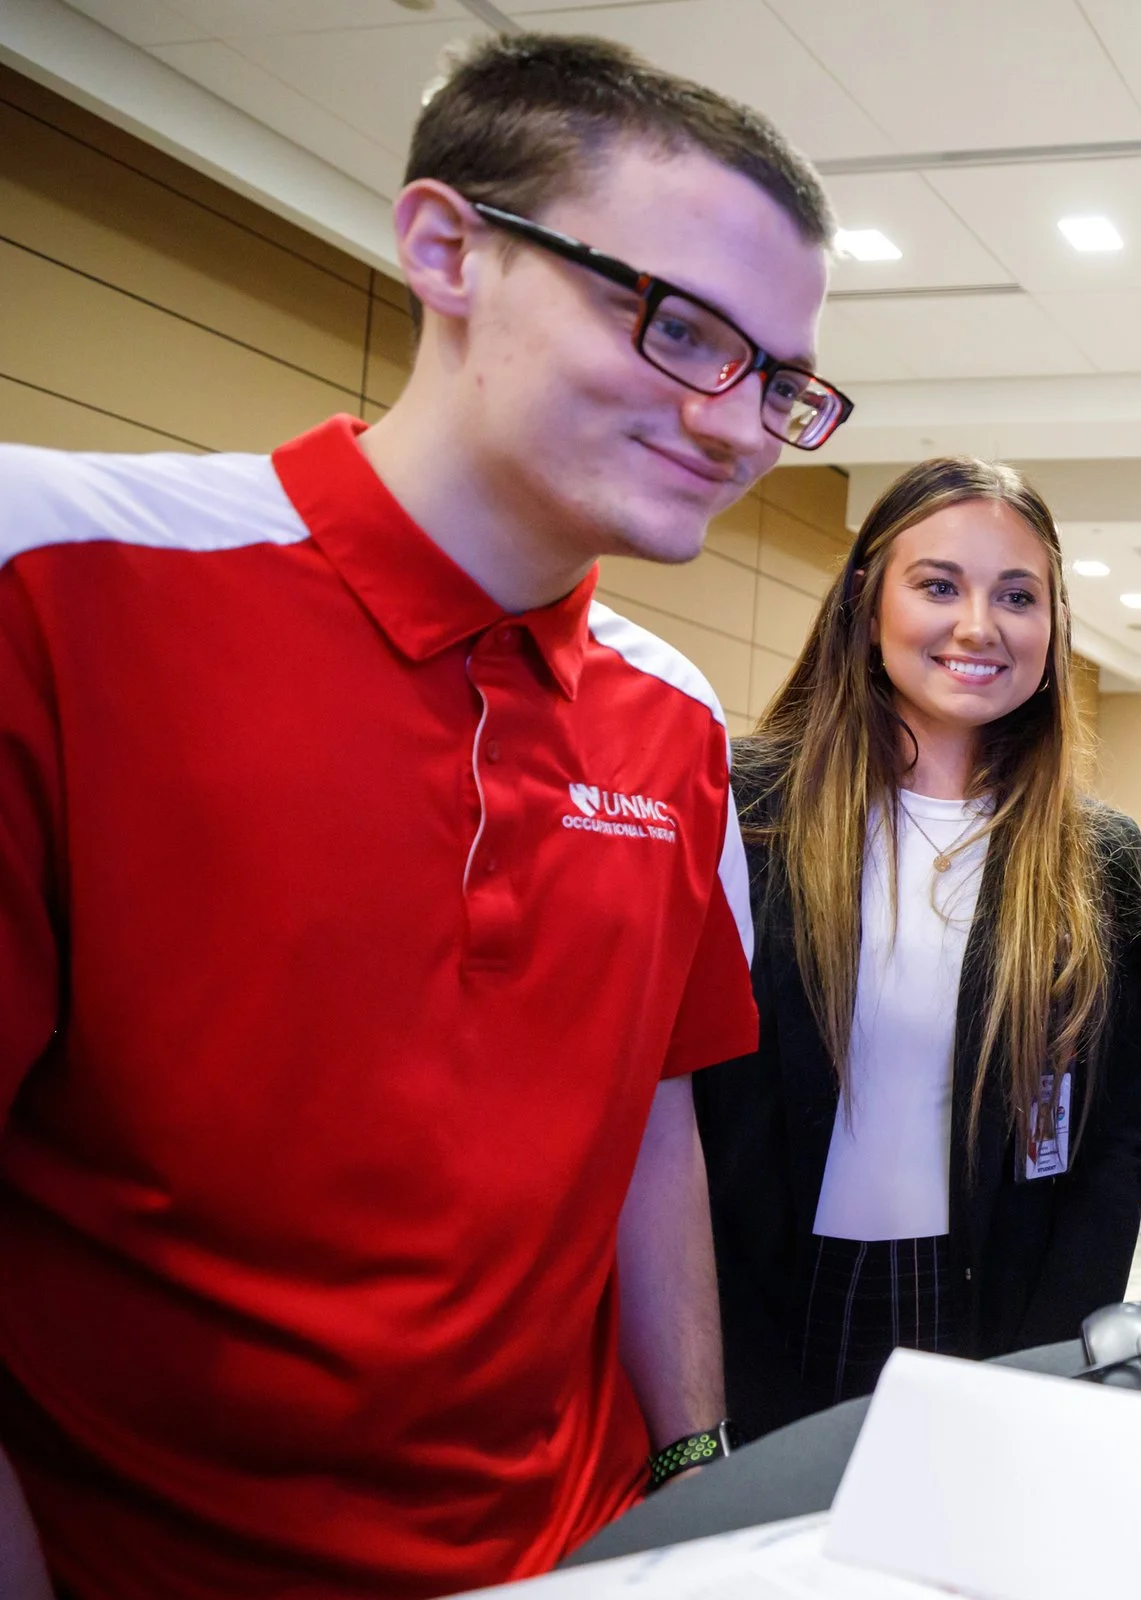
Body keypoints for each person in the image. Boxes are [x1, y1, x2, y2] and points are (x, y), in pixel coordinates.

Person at [0, 34, 843, 1600]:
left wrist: (689, 1477)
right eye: (677, 328)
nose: (737, 426)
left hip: (570, 1545)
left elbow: (646, 1120)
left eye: (781, 380)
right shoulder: (58, 574)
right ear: (447, 248)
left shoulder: (673, 724)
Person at [695, 458, 1141, 1437]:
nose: (978, 626)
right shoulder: (736, 808)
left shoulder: (1094, 858)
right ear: (866, 603)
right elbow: (679, 1116)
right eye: (939, 584)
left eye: (1017, 596)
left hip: (991, 1311)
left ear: (1053, 626)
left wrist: (1043, 1364)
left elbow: (1110, 1148)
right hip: (761, 1307)